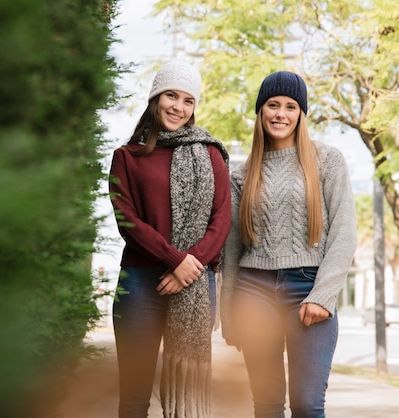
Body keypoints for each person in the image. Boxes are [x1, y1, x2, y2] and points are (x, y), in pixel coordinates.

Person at [220, 71, 357, 418]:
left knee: (307, 406)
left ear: (301, 114)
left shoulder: (328, 160)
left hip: (308, 288)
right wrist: (229, 311)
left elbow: (344, 232)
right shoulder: (242, 173)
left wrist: (323, 295)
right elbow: (233, 248)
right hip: (254, 290)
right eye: (273, 105)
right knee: (266, 406)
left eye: (290, 106)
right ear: (261, 111)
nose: (281, 113)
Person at [109, 60, 231, 418]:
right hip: (140, 283)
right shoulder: (126, 158)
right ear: (155, 98)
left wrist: (189, 267)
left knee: (188, 396)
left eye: (188, 100)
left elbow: (221, 219)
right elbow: (126, 220)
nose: (179, 107)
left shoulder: (209, 153)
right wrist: (175, 260)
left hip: (195, 281)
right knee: (134, 397)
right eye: (171, 96)